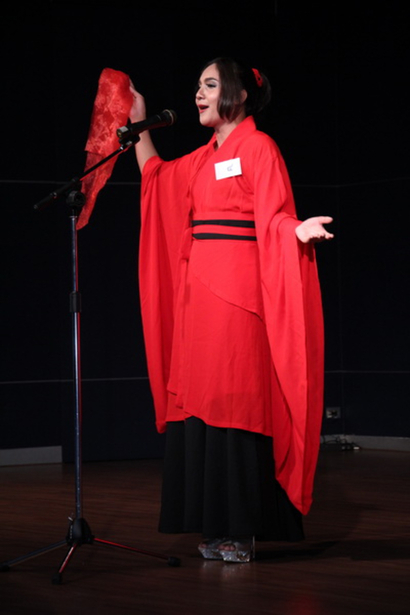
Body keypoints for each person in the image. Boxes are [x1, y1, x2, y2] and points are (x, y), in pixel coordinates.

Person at [130, 57, 333, 563]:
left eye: (210, 85)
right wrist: (137, 121)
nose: (199, 94)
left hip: (238, 292)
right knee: (201, 402)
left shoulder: (259, 148)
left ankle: (241, 528)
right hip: (198, 291)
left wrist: (296, 229)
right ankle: (214, 522)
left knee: (235, 400)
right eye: (198, 86)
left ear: (240, 95)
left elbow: (275, 214)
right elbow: (156, 178)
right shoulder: (203, 158)